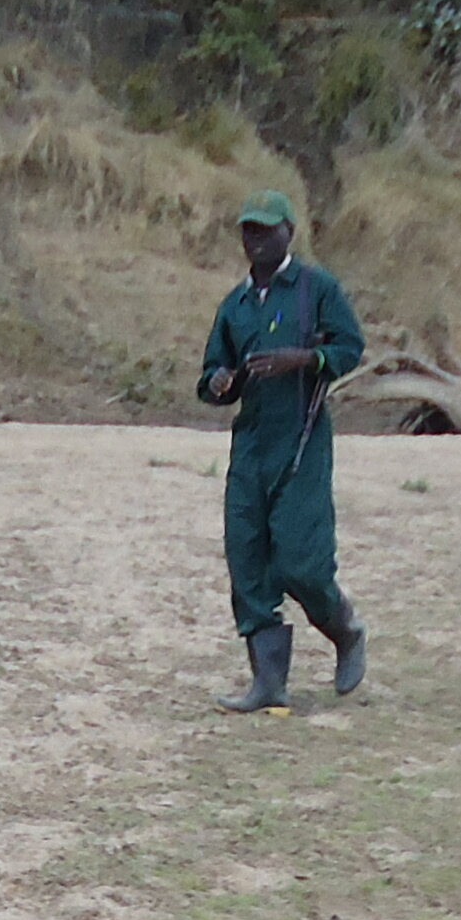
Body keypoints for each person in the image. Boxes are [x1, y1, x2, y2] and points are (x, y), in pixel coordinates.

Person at [193, 188, 364, 714]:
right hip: (250, 447)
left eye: (266, 229)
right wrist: (219, 382)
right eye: (249, 229)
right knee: (246, 558)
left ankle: (346, 631)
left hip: (303, 442)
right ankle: (268, 681)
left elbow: (350, 348)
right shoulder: (235, 305)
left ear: (290, 231)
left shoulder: (317, 289)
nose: (257, 239)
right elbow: (208, 376)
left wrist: (304, 359)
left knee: (302, 561)